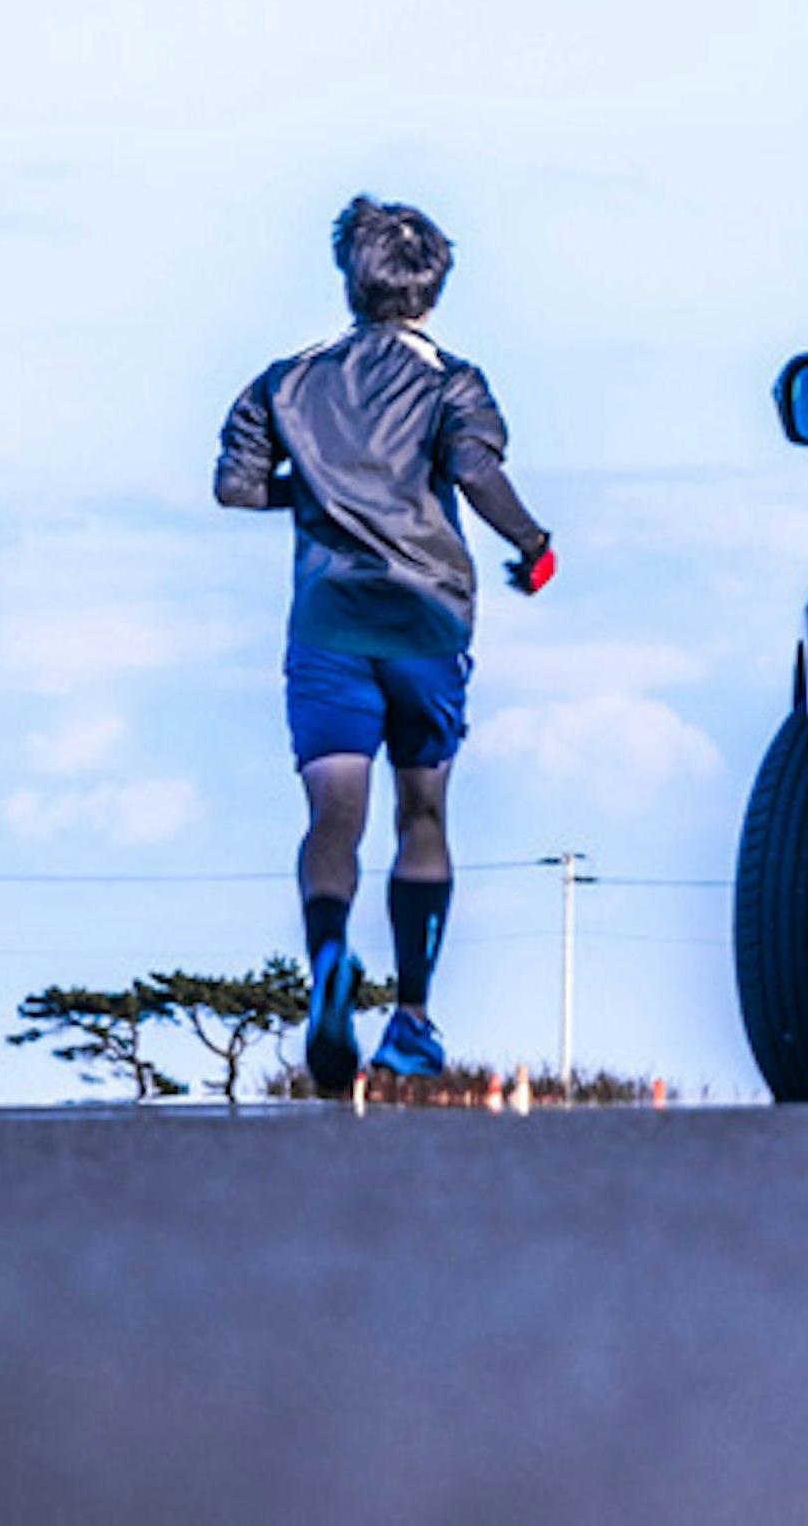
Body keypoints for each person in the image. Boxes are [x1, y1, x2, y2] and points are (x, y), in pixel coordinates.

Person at [215, 196, 555, 1096]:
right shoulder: (455, 379)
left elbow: (234, 487)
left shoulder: (286, 378)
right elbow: (477, 472)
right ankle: (411, 1017)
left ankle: (329, 961)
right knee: (425, 816)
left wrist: (325, 495)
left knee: (332, 813)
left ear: (349, 279)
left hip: (328, 620)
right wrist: (533, 544)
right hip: (427, 620)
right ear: (435, 285)